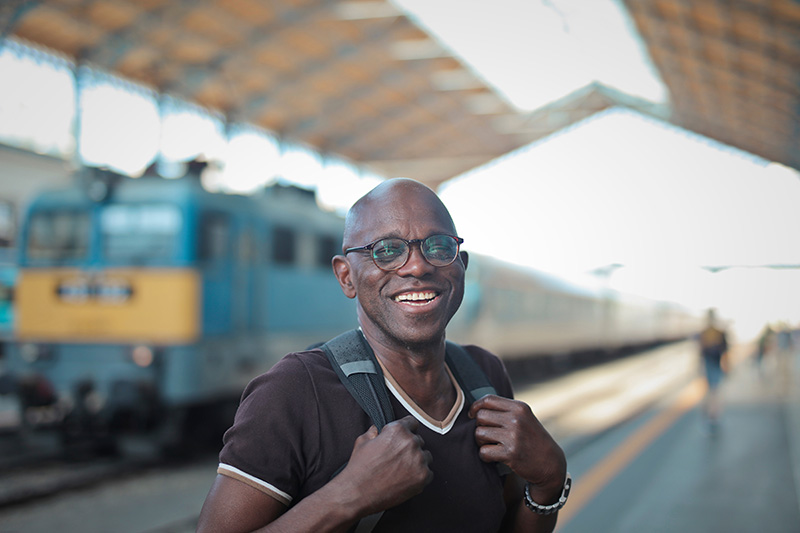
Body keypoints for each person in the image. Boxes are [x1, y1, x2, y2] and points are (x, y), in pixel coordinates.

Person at [197, 178, 568, 532]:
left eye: (438, 247)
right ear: (346, 277)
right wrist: (348, 496)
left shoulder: (483, 377)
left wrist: (548, 482)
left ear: (461, 266)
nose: (418, 266)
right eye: (387, 251)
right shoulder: (294, 391)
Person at [698, 308, 729, 432]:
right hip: (715, 364)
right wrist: (726, 366)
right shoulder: (719, 332)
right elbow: (725, 351)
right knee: (715, 391)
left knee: (711, 391)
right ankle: (714, 416)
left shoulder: (704, 332)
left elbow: (700, 350)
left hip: (708, 364)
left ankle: (711, 416)